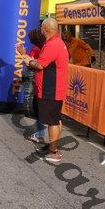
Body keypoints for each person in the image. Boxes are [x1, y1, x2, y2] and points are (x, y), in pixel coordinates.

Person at [17, 18, 69, 162]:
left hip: (50, 88)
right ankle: (53, 146)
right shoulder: (57, 42)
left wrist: (24, 56)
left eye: (41, 27)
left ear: (45, 30)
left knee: (53, 121)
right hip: (54, 87)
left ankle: (54, 152)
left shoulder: (52, 44)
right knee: (55, 119)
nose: (40, 30)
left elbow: (40, 65)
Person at [24, 28, 47, 144]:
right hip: (41, 81)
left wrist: (24, 56)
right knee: (38, 106)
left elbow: (37, 65)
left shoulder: (41, 49)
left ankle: (41, 135)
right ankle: (41, 134)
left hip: (41, 81)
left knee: (38, 106)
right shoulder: (43, 48)